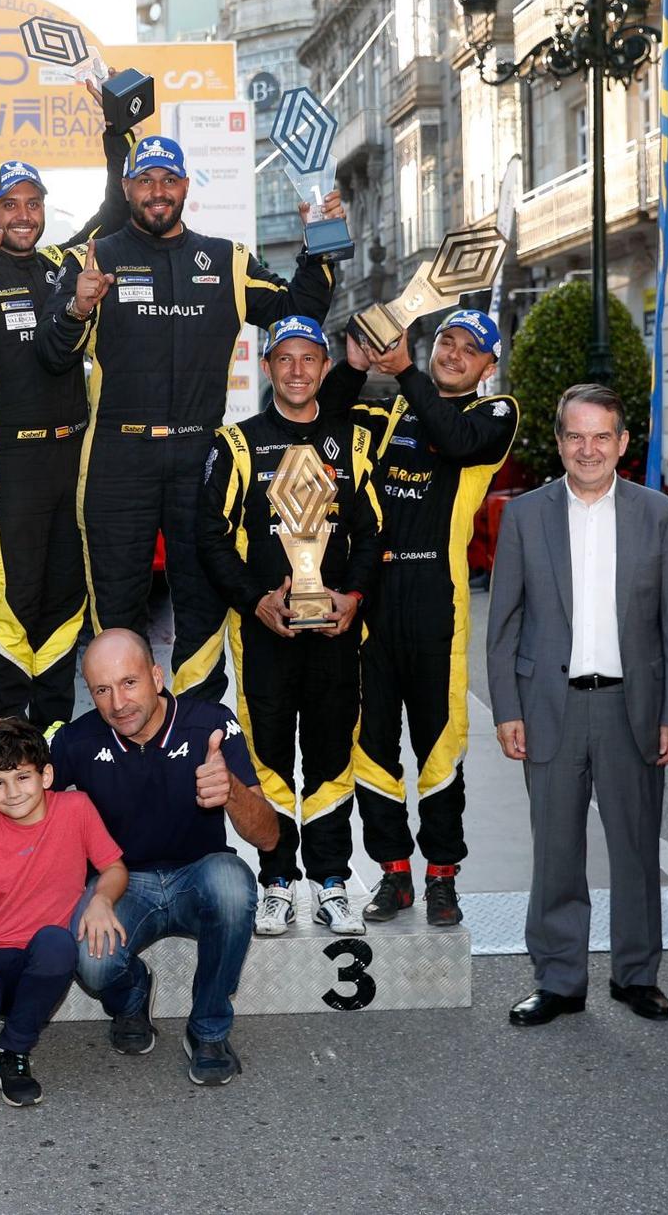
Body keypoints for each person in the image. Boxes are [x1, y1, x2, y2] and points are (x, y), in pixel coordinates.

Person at [38, 135, 341, 703]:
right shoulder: (94, 256)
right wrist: (78, 306)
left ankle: (198, 732)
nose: (158, 192)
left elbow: (298, 313)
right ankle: (124, 737)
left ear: (184, 187)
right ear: (127, 188)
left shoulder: (225, 258)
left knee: (202, 598)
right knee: (117, 604)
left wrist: (317, 244)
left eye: (168, 180)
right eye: (145, 181)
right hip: (116, 461)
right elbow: (53, 356)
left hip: (200, 456)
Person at [487, 383, 668, 1027]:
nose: (589, 448)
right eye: (576, 436)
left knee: (636, 848)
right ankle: (558, 979)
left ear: (623, 443)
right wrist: (506, 709)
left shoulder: (660, 514)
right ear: (559, 442)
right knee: (555, 850)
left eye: (602, 436)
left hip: (634, 704)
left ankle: (636, 975)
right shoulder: (525, 516)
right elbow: (505, 623)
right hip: (551, 705)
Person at [317, 310, 518, 926]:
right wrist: (355, 365)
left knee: (440, 745)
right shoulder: (389, 412)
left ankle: (442, 876)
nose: (455, 354)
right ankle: (393, 873)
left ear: (488, 366)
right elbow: (324, 422)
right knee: (371, 744)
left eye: (470, 350)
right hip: (373, 596)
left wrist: (404, 370)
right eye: (446, 343)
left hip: (439, 596)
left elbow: (454, 441)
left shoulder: (497, 414)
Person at [0, 124, 131, 730]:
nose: (23, 215)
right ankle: (5, 753)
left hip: (72, 463)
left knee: (66, 607)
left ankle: (52, 748)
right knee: (11, 610)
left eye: (33, 203)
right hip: (9, 467)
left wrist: (117, 134)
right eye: (9, 204)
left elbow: (116, 207)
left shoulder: (64, 267)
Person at [197, 316, 378, 938]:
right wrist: (256, 601)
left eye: (310, 359)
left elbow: (372, 535)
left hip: (334, 634)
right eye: (285, 359)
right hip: (265, 636)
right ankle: (276, 878)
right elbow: (211, 541)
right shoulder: (236, 444)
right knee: (269, 753)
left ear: (325, 368)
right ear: (267, 367)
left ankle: (330, 880)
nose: (298, 370)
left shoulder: (352, 443)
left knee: (330, 753)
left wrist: (352, 597)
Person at [51, 629, 276, 1086]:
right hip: (123, 882)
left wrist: (230, 789)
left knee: (234, 886)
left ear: (156, 676)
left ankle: (209, 1029)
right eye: (102, 690)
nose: (118, 703)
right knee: (89, 958)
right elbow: (36, 823)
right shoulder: (75, 741)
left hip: (200, 876)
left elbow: (268, 837)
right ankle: (132, 995)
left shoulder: (210, 724)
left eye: (129, 682)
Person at [0, 717, 128, 1107]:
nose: (12, 792)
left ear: (46, 775)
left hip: (39, 961)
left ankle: (12, 1051)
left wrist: (102, 899)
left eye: (22, 777)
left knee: (57, 943)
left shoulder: (76, 809)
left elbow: (114, 867)